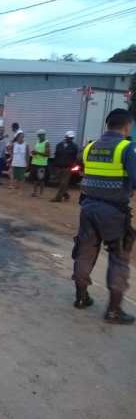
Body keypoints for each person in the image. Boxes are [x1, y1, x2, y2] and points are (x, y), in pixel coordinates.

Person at [72, 108, 136, 324]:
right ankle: (113, 311)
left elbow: (82, 172)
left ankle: (81, 298)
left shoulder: (90, 147)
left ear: (107, 125)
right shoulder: (127, 147)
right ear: (127, 126)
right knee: (118, 258)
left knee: (85, 251)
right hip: (114, 212)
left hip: (88, 208)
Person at [51, 131, 79, 202]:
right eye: (69, 137)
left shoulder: (74, 146)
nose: (70, 139)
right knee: (60, 183)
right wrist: (55, 165)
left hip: (67, 168)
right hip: (58, 167)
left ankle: (58, 198)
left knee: (64, 183)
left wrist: (73, 165)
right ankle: (65, 194)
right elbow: (56, 155)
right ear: (66, 137)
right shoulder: (59, 145)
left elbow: (75, 157)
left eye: (72, 138)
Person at [31, 129, 50, 197]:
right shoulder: (37, 142)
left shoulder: (46, 143)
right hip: (35, 162)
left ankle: (41, 193)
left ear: (43, 135)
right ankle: (34, 192)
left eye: (40, 135)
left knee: (41, 180)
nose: (38, 137)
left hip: (42, 164)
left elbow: (48, 154)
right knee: (35, 179)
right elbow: (36, 151)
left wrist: (37, 153)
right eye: (38, 135)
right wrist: (33, 152)